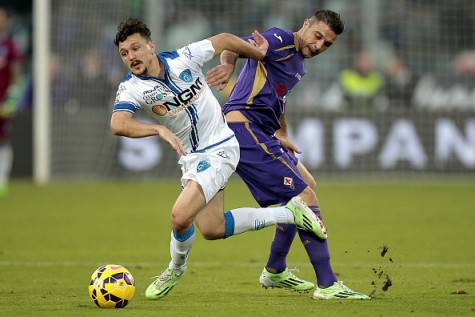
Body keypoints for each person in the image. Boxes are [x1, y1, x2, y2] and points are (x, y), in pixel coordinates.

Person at [111, 18, 326, 300]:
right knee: (212, 229)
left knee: (179, 214)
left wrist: (241, 60)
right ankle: (288, 213)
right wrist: (157, 128)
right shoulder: (131, 88)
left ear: (151, 46)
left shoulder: (183, 58)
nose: (132, 57)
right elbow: (118, 123)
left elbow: (224, 38)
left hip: (222, 146)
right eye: (125, 54)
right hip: (194, 158)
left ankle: (174, 270)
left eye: (136, 48)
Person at [206, 10, 370, 299]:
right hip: (243, 128)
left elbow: (277, 97)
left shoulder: (298, 64)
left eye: (327, 44)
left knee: (308, 188)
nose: (319, 46)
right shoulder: (280, 39)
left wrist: (282, 133)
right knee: (304, 197)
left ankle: (275, 270)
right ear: (306, 25)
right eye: (318, 36)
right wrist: (229, 65)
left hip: (261, 131)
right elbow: (231, 44)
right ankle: (328, 285)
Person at [0, 7, 23, 198]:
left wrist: (12, 96)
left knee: (3, 138)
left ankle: (2, 180)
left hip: (3, 101)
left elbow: (15, 72)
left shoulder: (9, 46)